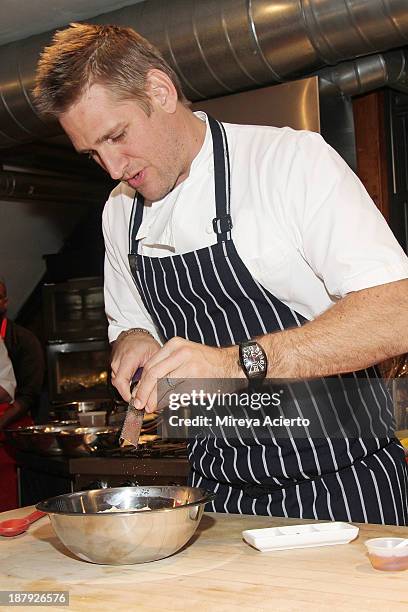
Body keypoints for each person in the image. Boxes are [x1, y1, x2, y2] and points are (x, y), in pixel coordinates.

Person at [33, 23, 408, 524]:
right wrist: (135, 341)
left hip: (342, 484)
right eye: (93, 154)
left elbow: (395, 312)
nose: (112, 167)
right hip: (216, 498)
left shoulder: (287, 163)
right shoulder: (120, 211)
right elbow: (131, 322)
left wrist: (239, 362)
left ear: (160, 91)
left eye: (117, 136)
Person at [0, 279, 44, 432]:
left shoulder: (25, 340)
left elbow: (29, 396)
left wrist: (1, 422)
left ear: (5, 303)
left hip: (16, 426)